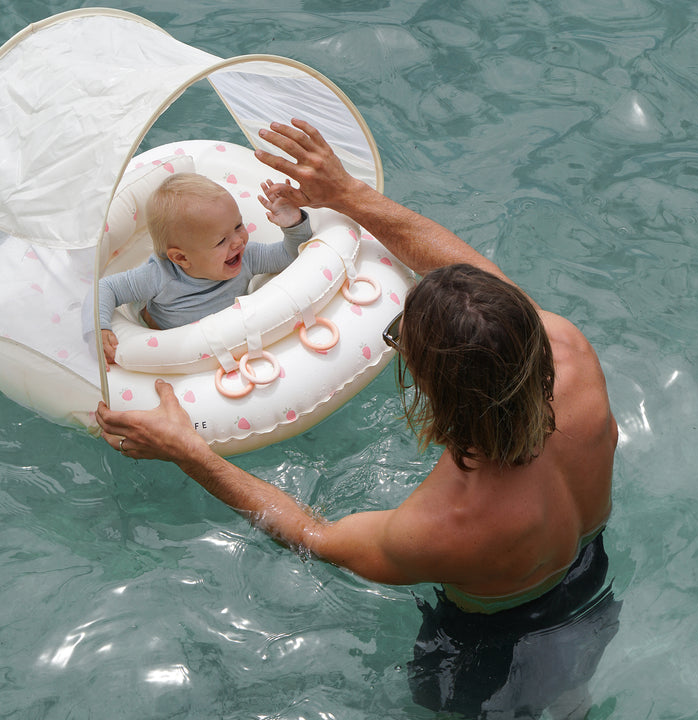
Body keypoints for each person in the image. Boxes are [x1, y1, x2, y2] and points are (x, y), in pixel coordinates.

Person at [95, 120, 620, 717]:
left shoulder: (453, 521)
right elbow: (473, 280)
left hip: (494, 649)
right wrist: (344, 193)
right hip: (592, 580)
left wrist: (188, 452)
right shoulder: (566, 350)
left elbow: (313, 536)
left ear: (437, 393)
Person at [83, 172, 312, 366]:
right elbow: (105, 288)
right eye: (221, 241)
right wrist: (100, 329)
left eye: (238, 226)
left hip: (226, 337)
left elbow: (289, 255)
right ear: (181, 258)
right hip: (164, 339)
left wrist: (293, 224)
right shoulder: (158, 276)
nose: (237, 242)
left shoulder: (247, 256)